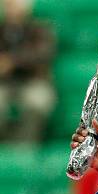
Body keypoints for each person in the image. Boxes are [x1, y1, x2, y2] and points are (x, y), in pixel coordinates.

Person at [0, 0, 56, 142]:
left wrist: (12, 61)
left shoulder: (40, 29)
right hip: (4, 83)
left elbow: (42, 55)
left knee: (37, 103)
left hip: (33, 80)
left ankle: (25, 149)